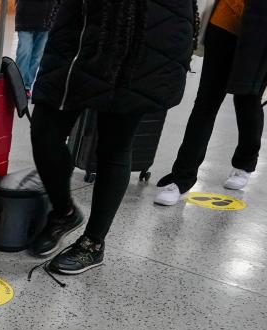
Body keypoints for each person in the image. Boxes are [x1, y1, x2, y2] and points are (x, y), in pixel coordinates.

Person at [27, 0, 197, 276]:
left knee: (115, 145)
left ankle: (93, 243)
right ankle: (64, 212)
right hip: (79, 30)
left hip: (144, 36)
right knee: (45, 132)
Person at [154, 0, 267, 205]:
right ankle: (182, 177)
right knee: (206, 102)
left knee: (247, 99)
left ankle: (245, 162)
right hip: (224, 23)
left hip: (262, 31)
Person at [14, 0, 56, 93]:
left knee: (37, 57)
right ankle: (18, 86)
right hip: (25, 19)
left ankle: (26, 86)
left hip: (46, 21)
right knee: (24, 53)